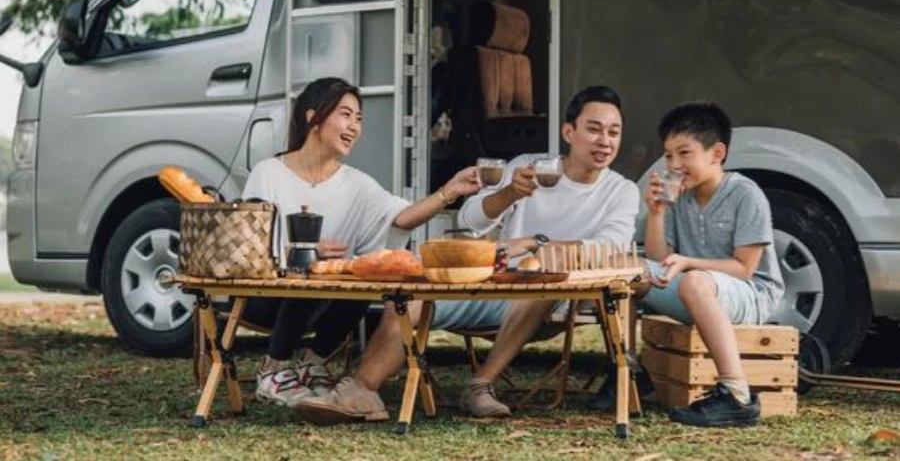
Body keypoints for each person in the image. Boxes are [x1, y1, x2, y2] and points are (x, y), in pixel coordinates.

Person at [293, 85, 641, 424]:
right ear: (569, 131)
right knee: (410, 296)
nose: (604, 141)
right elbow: (470, 219)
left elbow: (609, 247)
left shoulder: (621, 191)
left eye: (614, 132)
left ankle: (479, 385)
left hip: (553, 293)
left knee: (539, 284)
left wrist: (536, 243)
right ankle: (360, 391)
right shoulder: (530, 166)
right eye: (594, 130)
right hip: (490, 281)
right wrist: (508, 194)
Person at [246, 77, 481, 408]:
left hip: (321, 300)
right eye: (345, 114)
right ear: (313, 116)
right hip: (264, 295)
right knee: (307, 268)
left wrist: (449, 192)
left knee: (366, 270)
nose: (354, 126)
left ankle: (312, 362)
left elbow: (401, 217)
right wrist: (302, 251)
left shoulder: (356, 184)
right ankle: (274, 369)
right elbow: (249, 241)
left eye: (358, 119)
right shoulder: (268, 172)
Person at [596, 101, 784, 427]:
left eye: (685, 154)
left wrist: (688, 264)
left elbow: (745, 269)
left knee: (696, 281)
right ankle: (628, 372)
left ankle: (737, 395)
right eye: (669, 156)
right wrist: (656, 213)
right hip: (695, 290)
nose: (675, 164)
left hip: (750, 294)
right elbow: (658, 263)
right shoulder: (679, 196)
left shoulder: (745, 194)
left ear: (717, 153)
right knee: (629, 271)